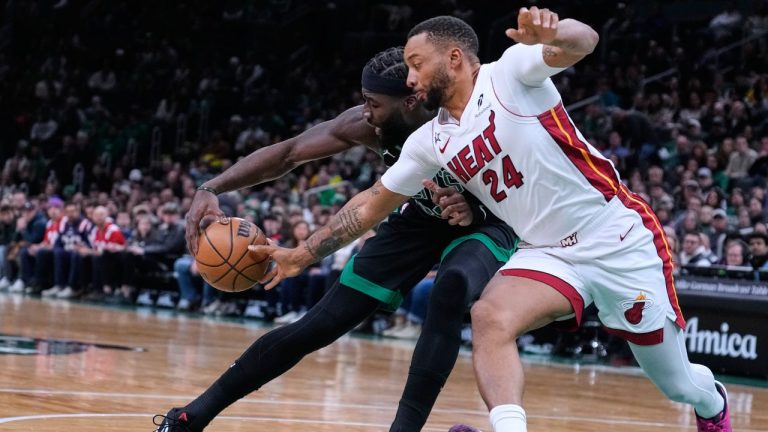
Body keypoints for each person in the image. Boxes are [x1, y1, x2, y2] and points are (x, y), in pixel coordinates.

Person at [254, 9, 731, 432]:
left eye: (418, 64)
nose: (411, 78)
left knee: (677, 384)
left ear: (455, 58)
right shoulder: (429, 142)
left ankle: (712, 401)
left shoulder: (510, 73)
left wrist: (554, 29)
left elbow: (583, 40)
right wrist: (301, 253)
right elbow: (372, 203)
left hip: (616, 238)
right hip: (547, 252)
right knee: (489, 317)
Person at [154, 47, 517, 432]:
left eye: (374, 103)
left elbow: (524, 178)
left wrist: (476, 207)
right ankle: (190, 417)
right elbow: (289, 153)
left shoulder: (472, 117)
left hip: (492, 220)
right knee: (319, 324)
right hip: (421, 220)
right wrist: (211, 187)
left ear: (412, 100)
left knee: (451, 287)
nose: (365, 112)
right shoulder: (371, 125)